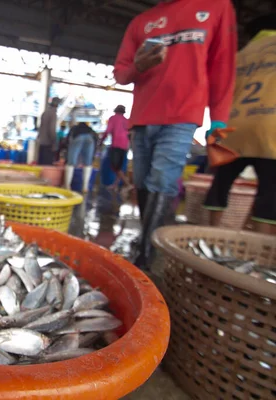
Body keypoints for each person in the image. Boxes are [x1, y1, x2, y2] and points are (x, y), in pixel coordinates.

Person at [114, 0, 237, 269]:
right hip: (143, 118)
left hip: (183, 117)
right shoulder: (141, 22)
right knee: (144, 182)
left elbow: (222, 67)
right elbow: (121, 74)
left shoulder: (216, 7)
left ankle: (147, 257)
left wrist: (218, 120)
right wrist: (139, 66)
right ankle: (148, 244)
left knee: (162, 180)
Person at [204, 13, 276, 235]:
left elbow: (219, 92)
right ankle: (259, 257)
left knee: (219, 189)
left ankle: (208, 239)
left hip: (232, 128)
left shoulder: (240, 56)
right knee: (269, 196)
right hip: (270, 128)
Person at [99, 105, 131, 192]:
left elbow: (108, 130)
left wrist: (101, 141)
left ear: (115, 110)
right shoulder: (126, 120)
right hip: (125, 146)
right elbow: (129, 134)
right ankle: (115, 185)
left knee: (115, 167)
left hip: (116, 145)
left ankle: (128, 184)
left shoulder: (113, 118)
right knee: (120, 166)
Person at [64, 122, 96, 192]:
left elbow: (67, 141)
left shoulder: (74, 129)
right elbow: (95, 139)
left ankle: (67, 186)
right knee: (88, 163)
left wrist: (67, 155)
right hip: (90, 139)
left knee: (71, 163)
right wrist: (92, 156)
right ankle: (85, 187)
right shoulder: (89, 129)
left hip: (78, 138)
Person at [38, 97, 60, 165]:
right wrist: (54, 142)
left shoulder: (45, 112)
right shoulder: (53, 114)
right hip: (48, 143)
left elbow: (40, 127)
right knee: (47, 165)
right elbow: (52, 130)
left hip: (41, 142)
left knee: (41, 165)